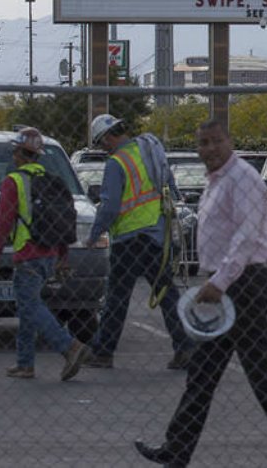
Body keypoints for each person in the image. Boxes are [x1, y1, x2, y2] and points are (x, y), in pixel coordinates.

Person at [135, 120, 267, 468]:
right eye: (203, 143)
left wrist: (221, 281)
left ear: (229, 141)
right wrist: (215, 280)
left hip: (243, 284)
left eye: (215, 141)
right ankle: (177, 449)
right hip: (226, 284)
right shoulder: (217, 180)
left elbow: (245, 237)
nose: (209, 149)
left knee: (261, 373)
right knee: (204, 370)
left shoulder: (242, 178)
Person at [84, 114, 192, 369]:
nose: (103, 148)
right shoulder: (149, 151)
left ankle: (103, 352)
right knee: (166, 293)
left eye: (102, 143)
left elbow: (110, 207)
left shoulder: (116, 163)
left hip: (129, 239)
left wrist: (94, 234)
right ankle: (185, 348)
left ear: (109, 137)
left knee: (117, 298)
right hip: (156, 235)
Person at [0, 128, 91, 381]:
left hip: (27, 253)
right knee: (27, 307)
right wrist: (63, 257)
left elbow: (2, 223)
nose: (13, 154)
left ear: (20, 154)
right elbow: (64, 221)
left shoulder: (14, 181)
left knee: (30, 306)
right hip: (50, 253)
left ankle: (69, 346)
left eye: (15, 150)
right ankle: (25, 364)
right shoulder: (52, 180)